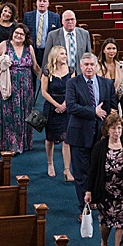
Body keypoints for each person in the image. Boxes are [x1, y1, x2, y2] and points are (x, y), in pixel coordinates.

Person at [84, 112, 123, 246]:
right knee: (106, 225)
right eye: (114, 128)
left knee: (121, 225)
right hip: (105, 192)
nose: (117, 132)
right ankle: (104, 241)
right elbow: (93, 170)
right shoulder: (100, 147)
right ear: (107, 129)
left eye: (119, 128)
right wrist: (89, 191)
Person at [65, 51, 117, 190]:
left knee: (98, 171)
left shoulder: (107, 83)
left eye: (92, 64)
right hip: (80, 134)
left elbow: (112, 106)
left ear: (97, 67)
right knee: (81, 173)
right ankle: (84, 207)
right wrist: (93, 111)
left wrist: (112, 113)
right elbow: (71, 107)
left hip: (100, 135)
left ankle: (94, 198)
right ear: (80, 66)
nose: (89, 67)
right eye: (86, 65)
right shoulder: (72, 83)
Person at [0, 24, 39, 158]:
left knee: (24, 114)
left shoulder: (29, 48)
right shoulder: (5, 45)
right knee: (9, 115)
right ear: (12, 33)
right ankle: (10, 144)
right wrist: (2, 60)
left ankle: (24, 143)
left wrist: (46, 78)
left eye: (21, 34)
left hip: (26, 88)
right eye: (16, 33)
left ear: (25, 37)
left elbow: (34, 66)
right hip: (8, 86)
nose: (18, 36)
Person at [40, 45, 72, 182]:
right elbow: (44, 92)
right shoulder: (47, 71)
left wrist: (65, 104)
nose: (64, 56)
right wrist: (57, 105)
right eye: (61, 54)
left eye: (65, 54)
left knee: (67, 139)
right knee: (50, 138)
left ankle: (66, 169)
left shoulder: (71, 71)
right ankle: (50, 163)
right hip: (52, 107)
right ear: (55, 56)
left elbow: (73, 89)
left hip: (67, 107)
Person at [27, 0, 56, 66]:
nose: (42, 3)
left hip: (48, 51)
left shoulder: (55, 17)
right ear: (36, 3)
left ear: (48, 4)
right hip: (32, 50)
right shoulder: (28, 16)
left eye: (44, 1)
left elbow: (57, 36)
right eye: (40, 1)